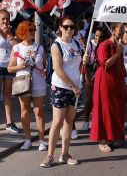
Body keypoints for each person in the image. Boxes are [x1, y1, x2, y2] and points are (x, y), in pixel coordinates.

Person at [40, 16, 82, 168]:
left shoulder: (77, 43)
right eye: (66, 26)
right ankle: (50, 155)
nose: (69, 29)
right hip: (61, 87)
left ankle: (65, 154)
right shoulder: (56, 45)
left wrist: (85, 59)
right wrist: (72, 86)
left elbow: (78, 65)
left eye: (72, 26)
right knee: (57, 122)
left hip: (75, 88)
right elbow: (58, 69)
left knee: (69, 121)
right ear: (60, 27)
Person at [8, 21, 47, 150]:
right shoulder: (17, 48)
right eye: (29, 31)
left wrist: (45, 70)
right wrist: (19, 66)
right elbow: (9, 68)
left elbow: (45, 65)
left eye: (33, 30)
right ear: (23, 33)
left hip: (38, 82)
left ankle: (42, 140)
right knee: (24, 111)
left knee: (38, 111)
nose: (32, 33)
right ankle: (28, 139)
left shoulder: (40, 47)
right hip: (23, 82)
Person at [90, 23, 126, 153]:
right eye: (120, 28)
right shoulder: (104, 44)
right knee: (104, 109)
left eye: (123, 28)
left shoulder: (118, 45)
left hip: (117, 81)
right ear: (113, 30)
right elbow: (105, 64)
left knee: (115, 109)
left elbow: (121, 66)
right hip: (105, 80)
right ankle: (102, 141)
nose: (122, 31)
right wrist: (117, 53)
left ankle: (112, 137)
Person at [0, 9, 21, 133]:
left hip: (9, 66)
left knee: (8, 95)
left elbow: (17, 48)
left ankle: (9, 122)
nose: (5, 21)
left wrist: (9, 36)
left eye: (7, 18)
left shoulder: (11, 32)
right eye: (2, 19)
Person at [82, 27, 106, 130]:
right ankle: (86, 121)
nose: (98, 38)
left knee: (100, 100)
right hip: (90, 74)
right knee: (89, 99)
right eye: (96, 36)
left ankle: (97, 122)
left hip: (101, 73)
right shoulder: (89, 44)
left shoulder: (104, 45)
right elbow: (85, 62)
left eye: (100, 36)